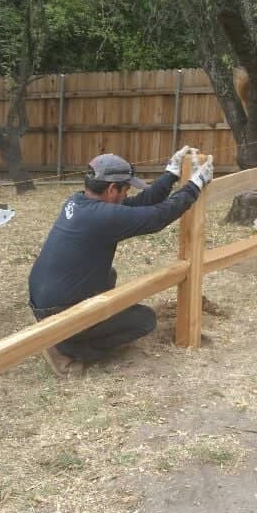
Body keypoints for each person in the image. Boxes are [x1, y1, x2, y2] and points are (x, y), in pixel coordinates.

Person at [28, 147, 213, 375]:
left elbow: (140, 204)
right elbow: (157, 217)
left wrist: (171, 174)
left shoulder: (78, 202)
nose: (128, 194)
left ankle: (68, 332)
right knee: (144, 320)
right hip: (57, 310)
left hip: (43, 299)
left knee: (109, 274)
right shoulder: (103, 217)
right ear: (112, 188)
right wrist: (195, 186)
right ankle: (69, 346)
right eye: (126, 189)